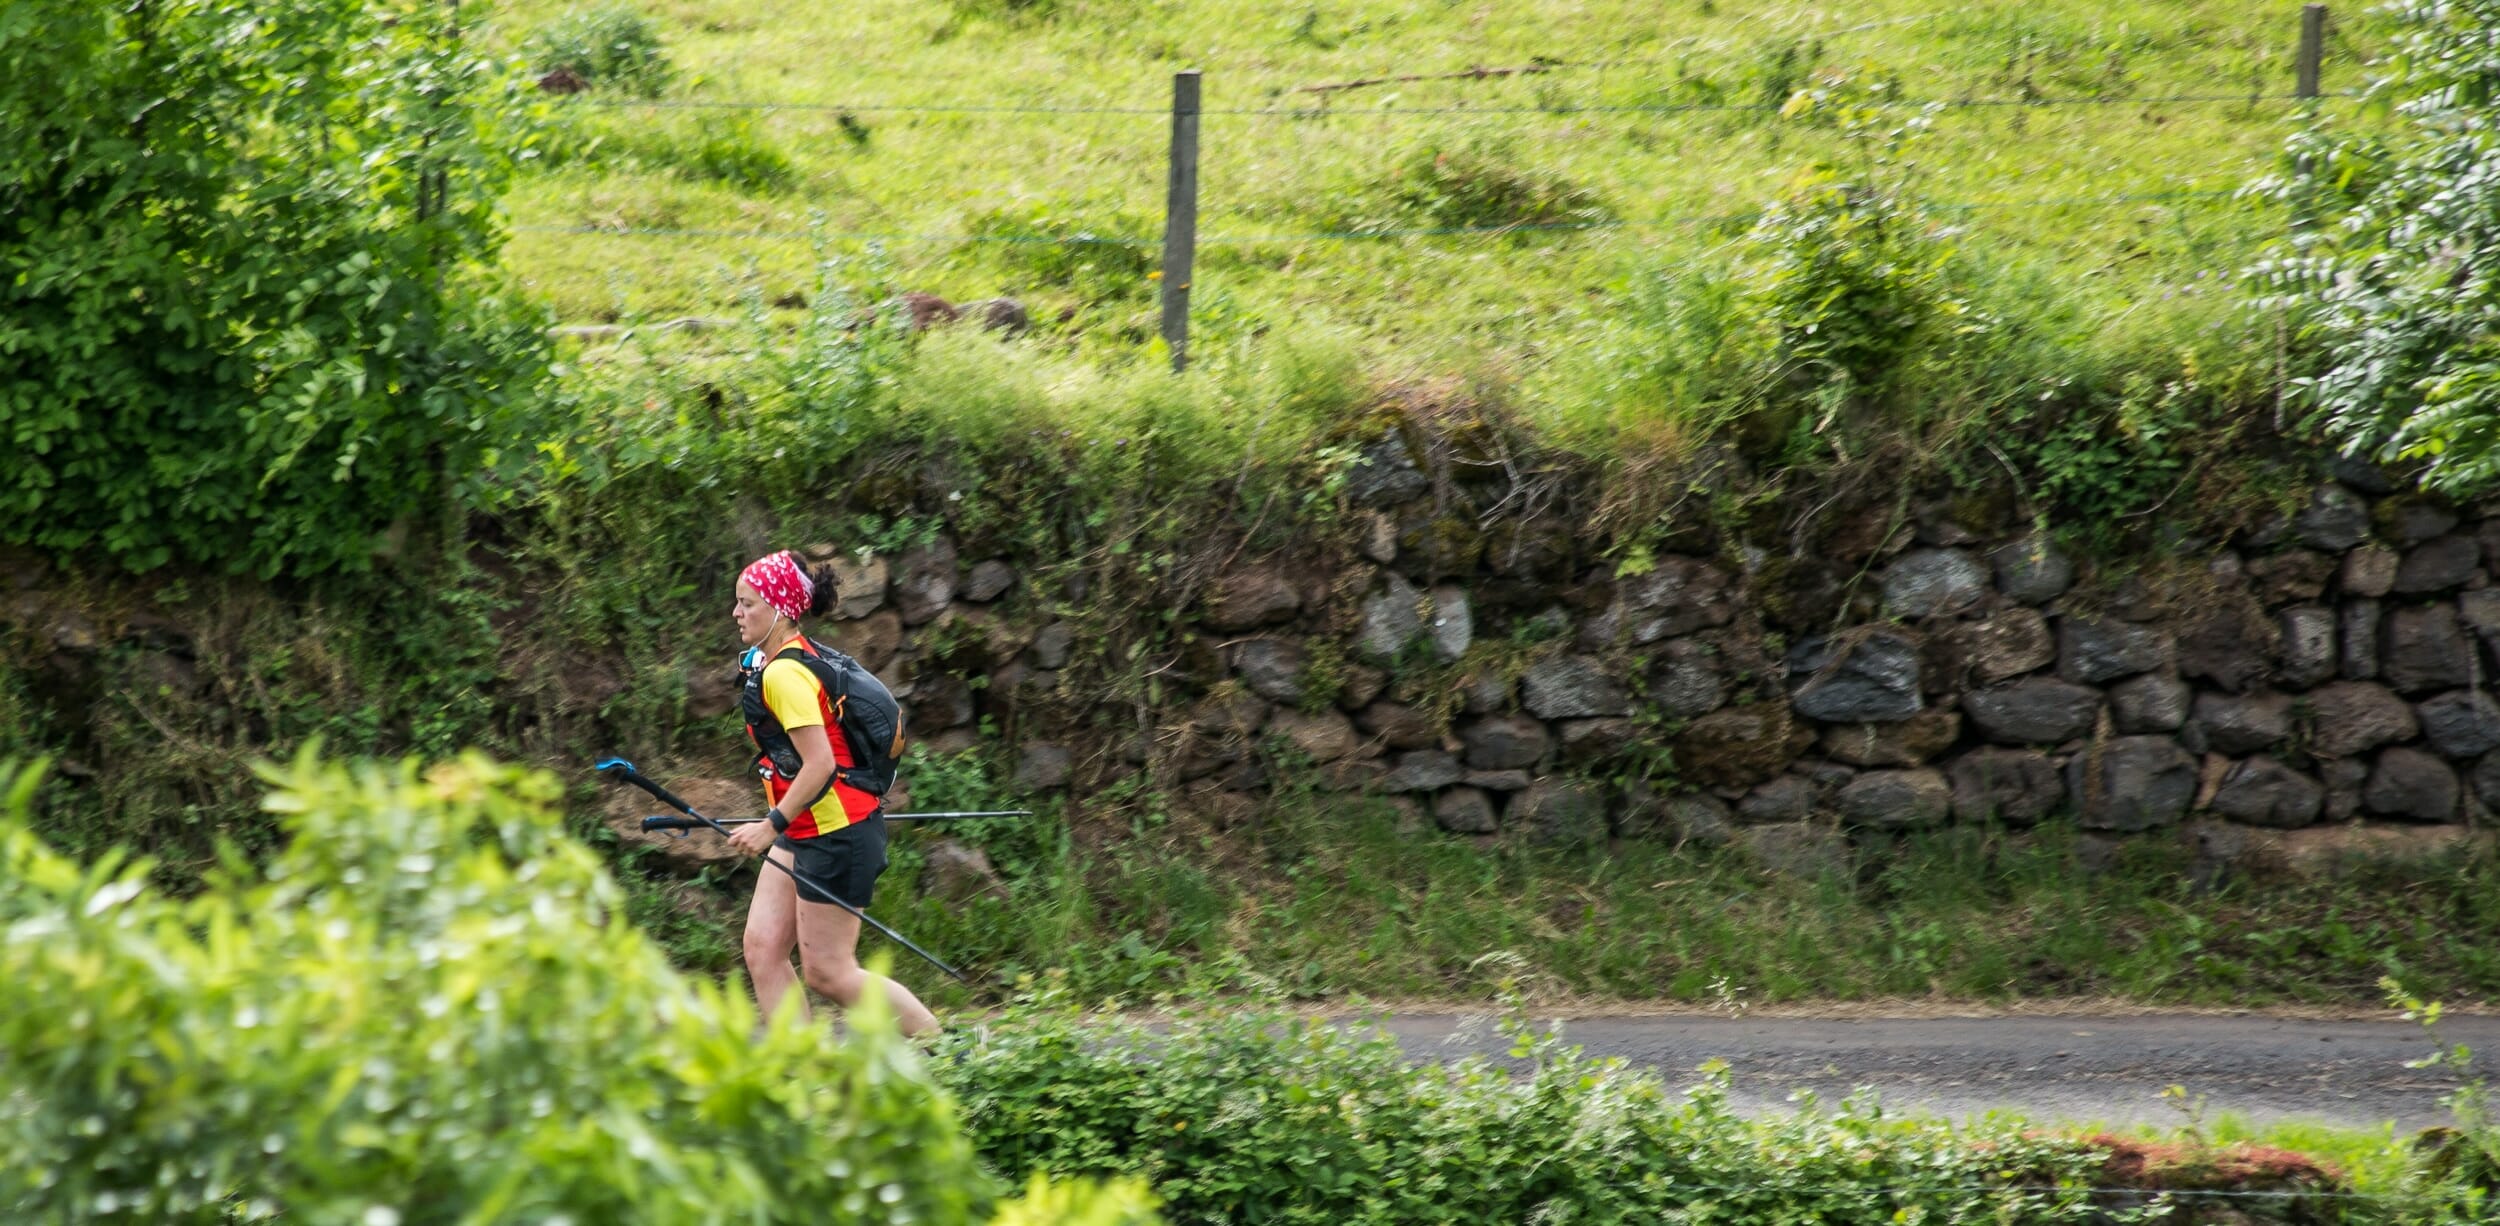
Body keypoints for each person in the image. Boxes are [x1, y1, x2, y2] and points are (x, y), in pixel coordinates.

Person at [726, 549, 939, 1036]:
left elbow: (820, 764)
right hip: (806, 827)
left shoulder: (785, 674)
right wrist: (782, 825)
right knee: (762, 948)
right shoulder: (789, 656)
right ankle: (803, 1070)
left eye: (747, 603)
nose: (736, 613)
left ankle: (951, 1055)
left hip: (838, 832)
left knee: (829, 972)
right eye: (738, 602)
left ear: (779, 609)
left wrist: (769, 826)